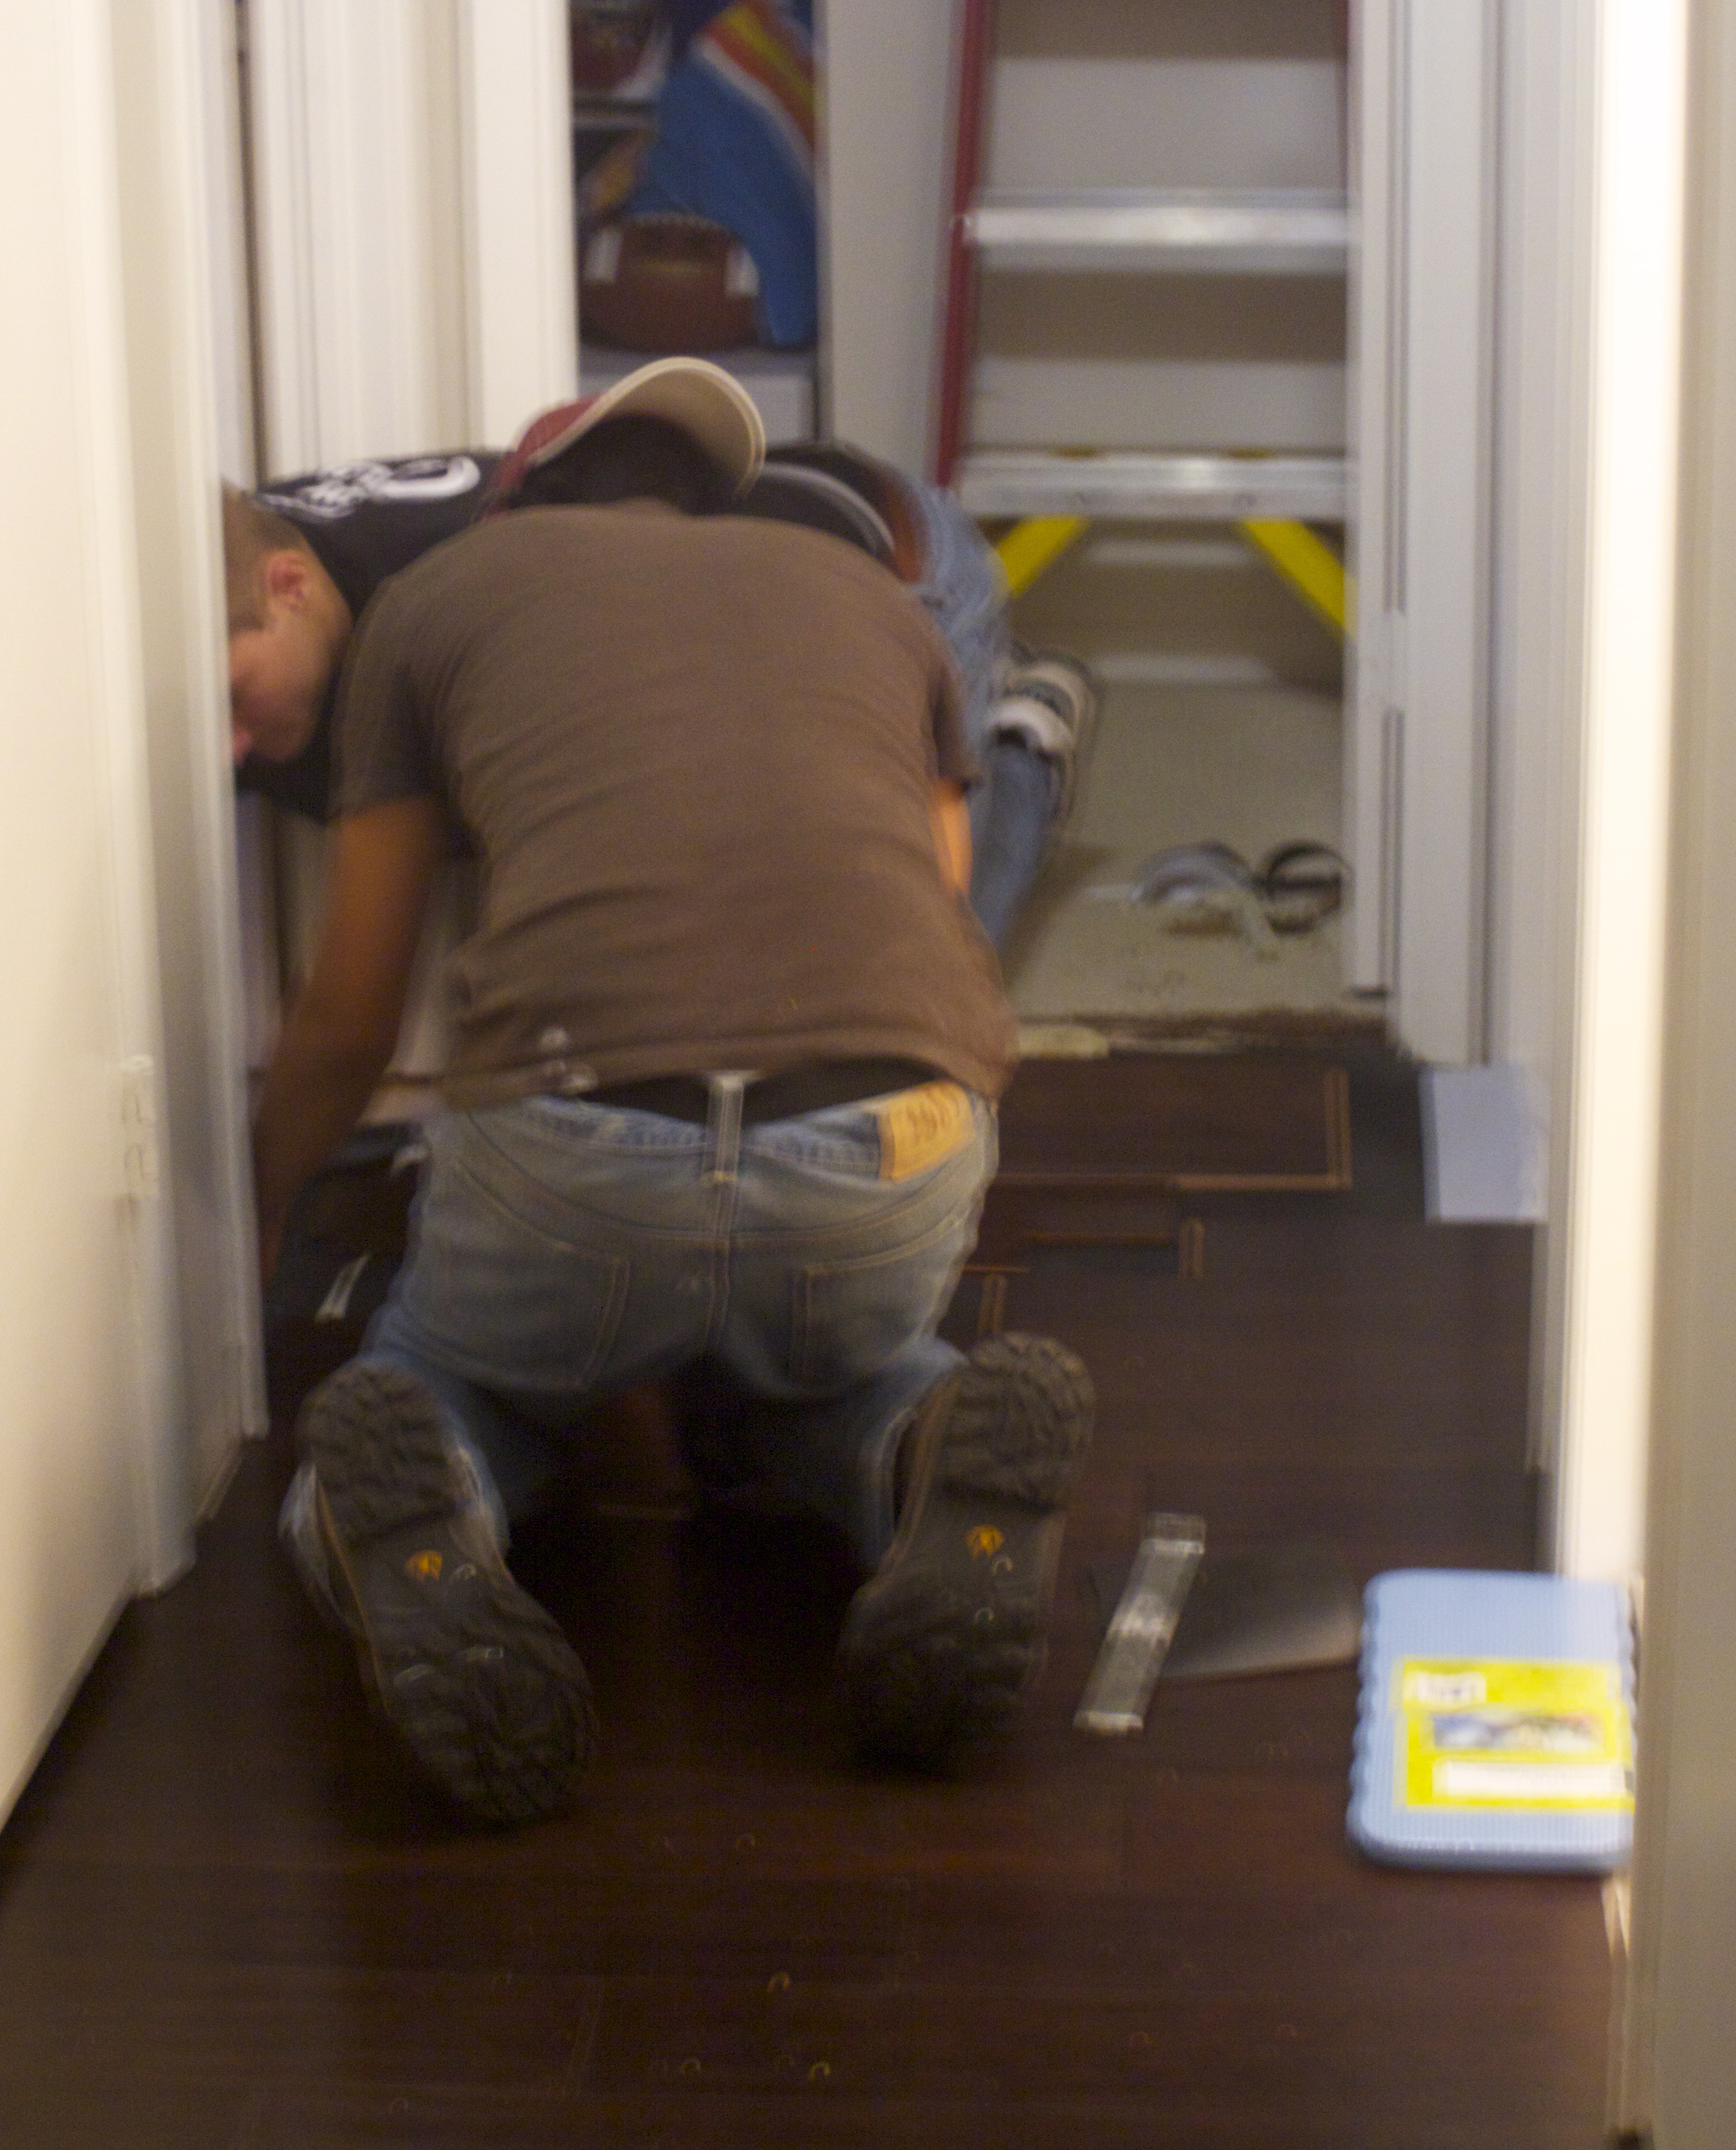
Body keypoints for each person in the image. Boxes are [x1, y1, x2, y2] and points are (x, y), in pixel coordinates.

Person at [251, 358, 1096, 1826]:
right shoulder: (859, 603)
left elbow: (351, 1010)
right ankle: (923, 1456)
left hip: (581, 1148)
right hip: (891, 1129)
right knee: (815, 1378)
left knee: (447, 1379)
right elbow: (938, 912)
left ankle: (427, 1498)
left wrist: (243, 1238)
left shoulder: (436, 602)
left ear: (524, 499)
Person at [223, 385, 1094, 948]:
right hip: (759, 523)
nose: (224, 749)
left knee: (918, 947)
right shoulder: (233, 563)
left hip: (897, 563)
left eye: (232, 699)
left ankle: (1023, 754)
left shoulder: (433, 616)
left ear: (290, 585)